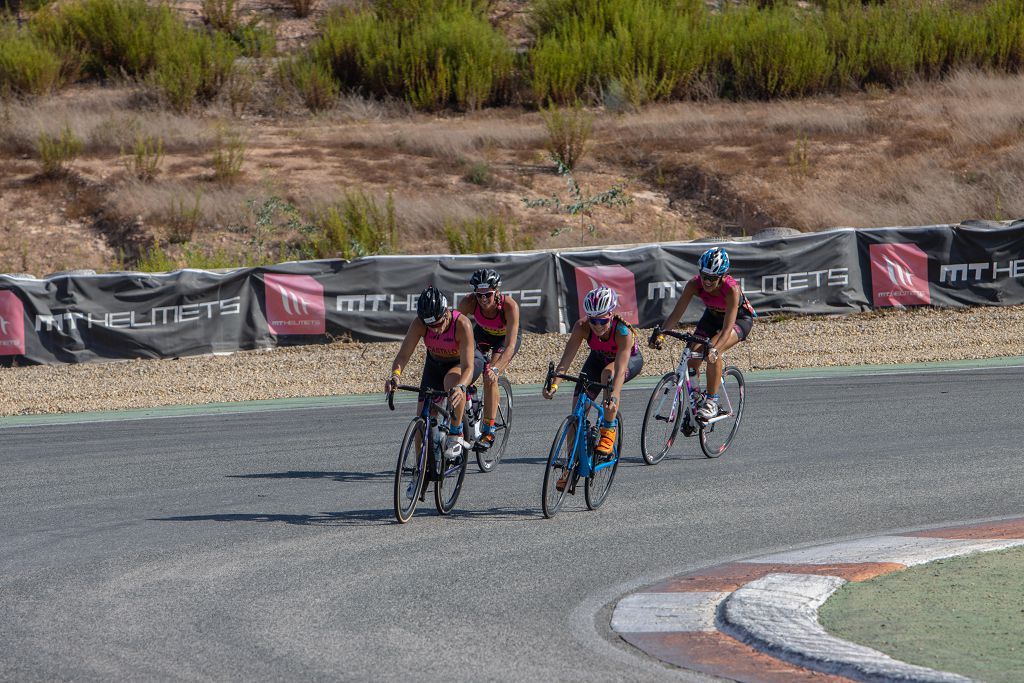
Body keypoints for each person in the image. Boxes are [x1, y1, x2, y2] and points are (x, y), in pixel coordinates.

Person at [543, 285, 643, 487]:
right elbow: (566, 360)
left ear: (611, 314)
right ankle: (570, 467)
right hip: (597, 360)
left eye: (602, 320)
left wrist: (613, 396)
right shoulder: (582, 327)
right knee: (577, 412)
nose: (597, 326)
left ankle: (608, 428)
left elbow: (620, 369)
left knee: (608, 375)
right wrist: (554, 384)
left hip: (626, 362)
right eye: (593, 320)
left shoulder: (623, 331)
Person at [649, 247, 755, 420]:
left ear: (723, 276)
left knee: (712, 349)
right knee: (693, 355)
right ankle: (697, 399)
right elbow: (676, 314)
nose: (706, 281)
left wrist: (714, 351)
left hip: (738, 321)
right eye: (704, 276)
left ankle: (712, 402)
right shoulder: (694, 284)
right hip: (712, 317)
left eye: (712, 278)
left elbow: (727, 329)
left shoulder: (731, 290)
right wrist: (662, 333)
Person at [385, 286, 483, 458]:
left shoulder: (461, 324)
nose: (435, 329)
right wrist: (395, 376)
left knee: (451, 383)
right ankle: (419, 474)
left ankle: (456, 432)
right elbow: (403, 356)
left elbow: (468, 367)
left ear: (445, 313)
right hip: (435, 364)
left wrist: (461, 386)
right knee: (422, 419)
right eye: (430, 326)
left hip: (464, 363)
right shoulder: (419, 323)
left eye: (437, 324)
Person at [457, 268, 521, 449]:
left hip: (504, 339)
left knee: (488, 375)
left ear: (497, 292)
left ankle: (489, 429)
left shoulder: (510, 306)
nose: (483, 299)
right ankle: (472, 398)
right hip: (483, 333)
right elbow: (455, 328)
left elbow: (510, 346)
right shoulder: (469, 302)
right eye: (479, 295)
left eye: (488, 295)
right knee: (465, 368)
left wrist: (496, 369)